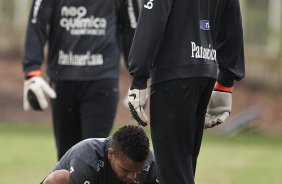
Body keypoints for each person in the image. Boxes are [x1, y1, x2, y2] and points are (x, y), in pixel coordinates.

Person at [126, 0, 245, 184]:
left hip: (173, 74)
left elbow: (153, 16)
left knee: (173, 172)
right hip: (205, 69)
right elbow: (232, 19)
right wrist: (226, 82)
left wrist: (139, 78)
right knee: (184, 167)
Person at [22, 0, 140, 159]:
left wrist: (139, 78)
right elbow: (37, 23)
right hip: (62, 79)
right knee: (66, 157)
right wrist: (32, 73)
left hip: (102, 80)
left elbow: (132, 29)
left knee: (95, 154)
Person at [40, 125, 159, 184]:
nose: (132, 177)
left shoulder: (153, 163)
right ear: (111, 154)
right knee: (60, 178)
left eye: (138, 171)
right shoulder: (86, 158)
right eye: (126, 170)